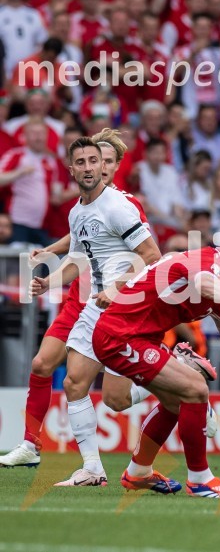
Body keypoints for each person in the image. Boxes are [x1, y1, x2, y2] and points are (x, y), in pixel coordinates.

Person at [0, 129, 175, 469]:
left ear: (112, 165)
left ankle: (178, 378)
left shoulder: (123, 205)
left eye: (100, 161)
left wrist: (117, 287)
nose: (94, 167)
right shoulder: (78, 209)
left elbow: (151, 253)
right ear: (72, 168)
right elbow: (80, 247)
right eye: (83, 162)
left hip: (121, 303)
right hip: (86, 299)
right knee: (55, 372)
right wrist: (48, 277)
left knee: (115, 398)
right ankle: (63, 457)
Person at [91, 222, 220, 497]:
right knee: (195, 388)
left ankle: (138, 472)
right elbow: (203, 283)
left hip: (137, 339)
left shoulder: (217, 284)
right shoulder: (208, 262)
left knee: (176, 401)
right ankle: (200, 480)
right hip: (121, 336)